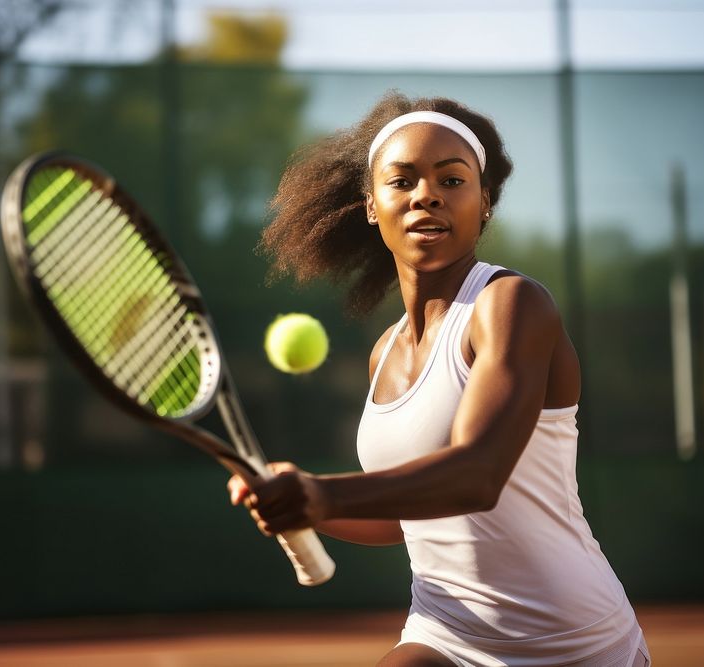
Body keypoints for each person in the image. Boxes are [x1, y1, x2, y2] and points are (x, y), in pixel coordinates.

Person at [228, 91, 650, 667]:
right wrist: (304, 501)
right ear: (372, 205)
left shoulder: (511, 304)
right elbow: (407, 521)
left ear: (485, 204)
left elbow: (477, 474)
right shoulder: (384, 354)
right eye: (401, 181)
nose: (426, 194)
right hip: (444, 633)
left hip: (572, 643)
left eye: (452, 181)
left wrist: (324, 493)